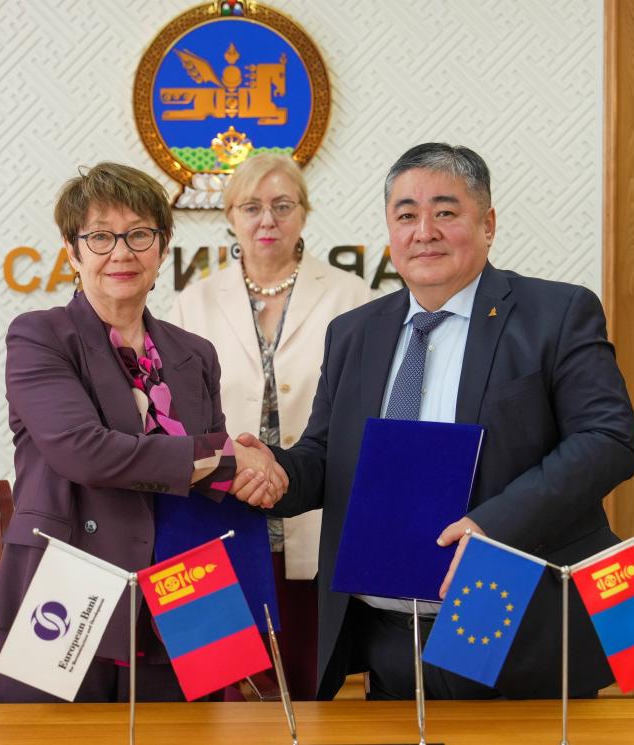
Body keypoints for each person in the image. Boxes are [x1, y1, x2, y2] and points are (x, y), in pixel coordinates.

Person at [235, 143, 634, 700]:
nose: (423, 231)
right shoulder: (356, 332)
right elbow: (326, 458)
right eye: (406, 215)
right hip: (389, 641)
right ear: (389, 230)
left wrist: (491, 526)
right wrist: (273, 472)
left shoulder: (557, 313)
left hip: (514, 627)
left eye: (445, 212)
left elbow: (609, 439)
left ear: (488, 223)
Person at [0, 162, 282, 703]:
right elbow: (86, 453)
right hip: (69, 586)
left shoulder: (195, 354)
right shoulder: (39, 337)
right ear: (73, 252)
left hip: (187, 591)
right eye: (99, 237)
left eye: (139, 234)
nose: (121, 252)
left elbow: (210, 479)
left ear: (162, 247)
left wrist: (260, 473)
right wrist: (227, 457)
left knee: (192, 742)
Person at [170, 153, 371, 699]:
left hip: (314, 510)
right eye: (252, 207)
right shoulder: (194, 302)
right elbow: (176, 416)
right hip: (225, 508)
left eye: (283, 206)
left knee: (309, 677)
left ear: (304, 213)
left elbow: (364, 411)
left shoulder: (351, 297)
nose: (268, 220)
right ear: (231, 216)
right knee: (231, 685)